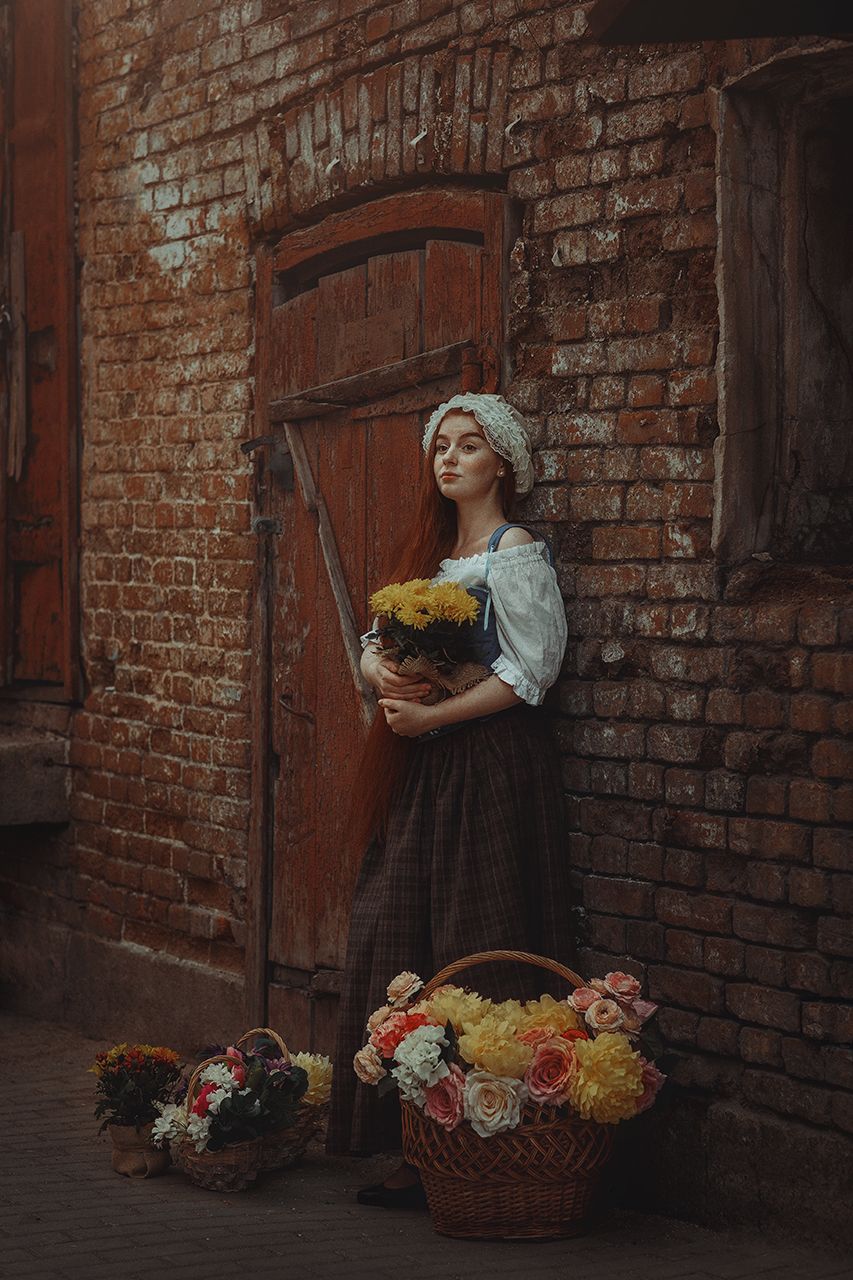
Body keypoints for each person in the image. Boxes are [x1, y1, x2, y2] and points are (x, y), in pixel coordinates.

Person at [326, 392, 572, 1207]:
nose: (449, 458)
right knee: (400, 932)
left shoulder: (514, 549)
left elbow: (529, 674)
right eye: (441, 445)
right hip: (426, 773)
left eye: (468, 446)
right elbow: (374, 644)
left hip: (489, 767)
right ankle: (414, 1137)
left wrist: (433, 714)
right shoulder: (432, 558)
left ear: (501, 462)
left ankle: (483, 1142)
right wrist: (382, 676)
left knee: (477, 935)